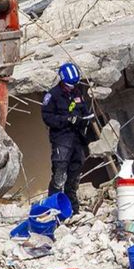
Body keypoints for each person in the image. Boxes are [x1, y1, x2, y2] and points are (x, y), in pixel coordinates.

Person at [41, 62, 95, 214]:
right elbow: (47, 117)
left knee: (75, 172)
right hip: (62, 137)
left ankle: (73, 208)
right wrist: (66, 120)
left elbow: (83, 109)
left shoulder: (77, 92)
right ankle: (53, 207)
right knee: (60, 173)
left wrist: (87, 118)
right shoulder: (52, 95)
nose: (72, 87)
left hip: (77, 137)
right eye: (69, 85)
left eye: (74, 84)